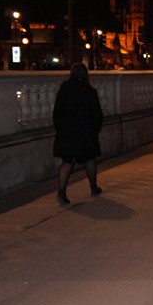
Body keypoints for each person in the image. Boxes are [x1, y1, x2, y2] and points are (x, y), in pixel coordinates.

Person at [52, 63, 104, 205]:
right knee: (89, 159)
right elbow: (97, 114)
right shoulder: (89, 91)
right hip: (85, 132)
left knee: (67, 161)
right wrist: (95, 129)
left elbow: (56, 113)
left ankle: (61, 191)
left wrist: (60, 128)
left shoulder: (64, 90)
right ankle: (93, 187)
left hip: (67, 132)